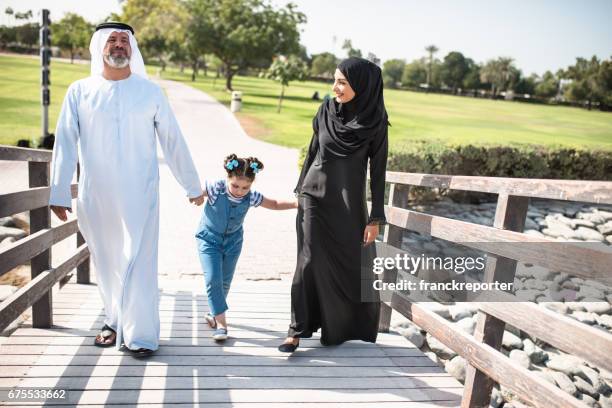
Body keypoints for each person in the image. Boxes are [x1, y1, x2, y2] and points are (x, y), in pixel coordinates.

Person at [49, 22, 205, 357]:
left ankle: (141, 335)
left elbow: (172, 140)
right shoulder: (79, 91)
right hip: (97, 195)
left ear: (132, 49)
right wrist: (59, 192)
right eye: (112, 40)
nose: (119, 45)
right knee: (107, 261)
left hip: (141, 193)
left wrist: (192, 185)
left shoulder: (150, 92)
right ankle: (113, 319)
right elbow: (64, 143)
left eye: (124, 41)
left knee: (140, 259)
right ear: (99, 48)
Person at [279, 57, 389, 352]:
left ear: (362, 86)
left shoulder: (376, 123)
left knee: (346, 265)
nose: (335, 87)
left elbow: (378, 172)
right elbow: (313, 151)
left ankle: (336, 328)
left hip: (349, 205)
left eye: (342, 82)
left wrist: (376, 217)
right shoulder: (325, 110)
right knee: (309, 258)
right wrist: (299, 189)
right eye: (335, 80)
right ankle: (296, 330)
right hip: (313, 196)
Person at [196, 154, 298, 341]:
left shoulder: (251, 197)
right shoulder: (215, 188)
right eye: (235, 185)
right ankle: (221, 324)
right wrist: (194, 196)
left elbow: (274, 204)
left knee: (225, 281)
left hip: (233, 243)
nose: (240, 191)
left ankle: (213, 313)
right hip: (209, 240)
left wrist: (296, 204)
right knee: (213, 279)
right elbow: (196, 191)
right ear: (228, 178)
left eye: (245, 187)